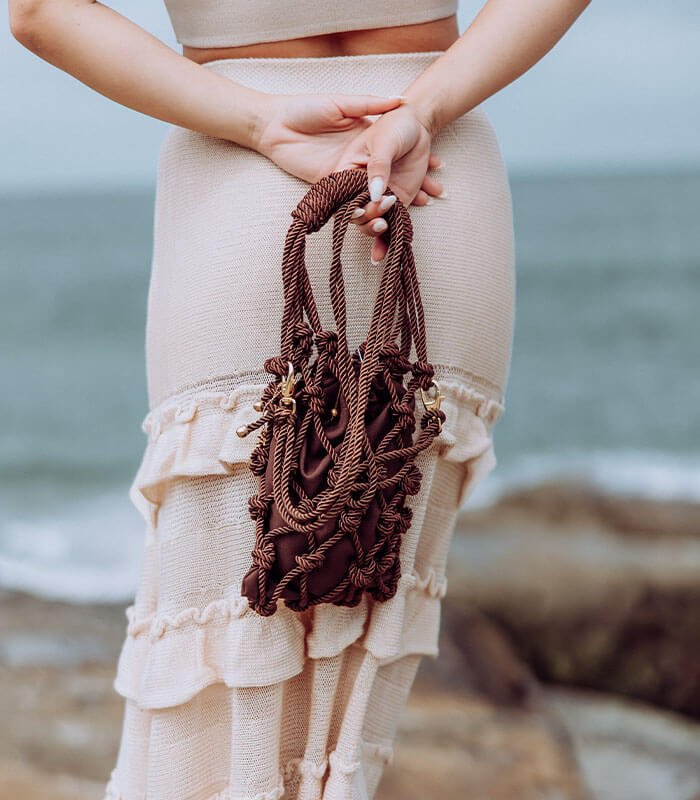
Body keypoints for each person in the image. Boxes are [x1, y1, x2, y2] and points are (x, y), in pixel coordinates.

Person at [10, 1, 591, 797]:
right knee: (355, 682)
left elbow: (42, 13)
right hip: (431, 170)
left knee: (221, 670)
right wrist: (421, 110)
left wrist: (258, 124)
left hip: (245, 176)